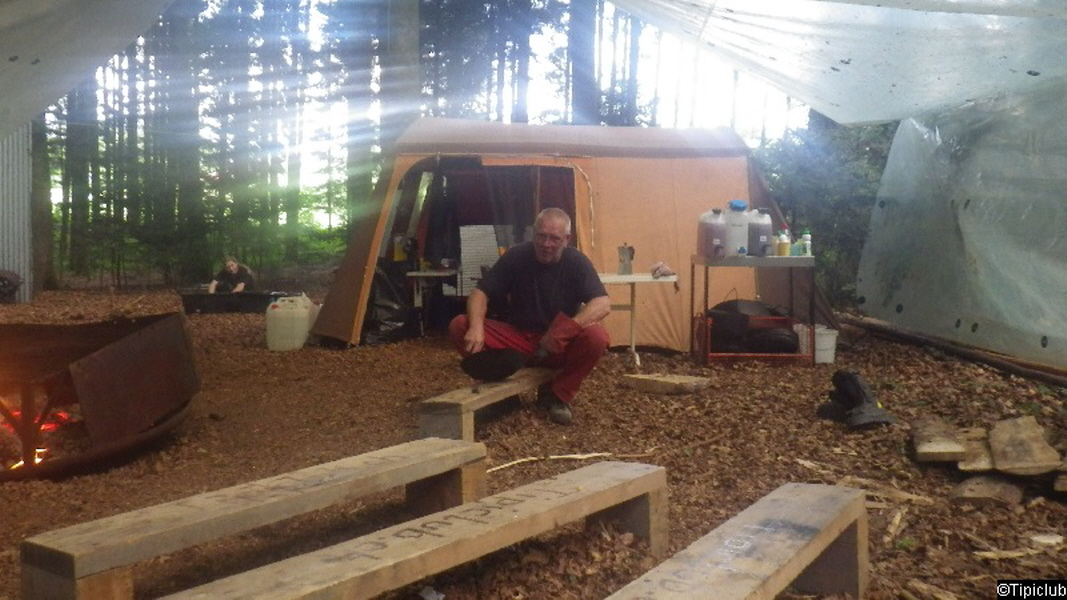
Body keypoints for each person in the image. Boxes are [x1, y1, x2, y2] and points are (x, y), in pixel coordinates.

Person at [448, 208, 611, 425]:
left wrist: (566, 329)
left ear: (566, 239)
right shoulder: (516, 256)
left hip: (557, 344)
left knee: (597, 337)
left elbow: (602, 303)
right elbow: (480, 293)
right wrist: (476, 327)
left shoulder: (576, 262)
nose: (546, 244)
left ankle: (558, 395)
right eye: (541, 236)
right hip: (518, 339)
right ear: (533, 233)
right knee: (460, 325)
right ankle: (501, 395)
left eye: (554, 238)